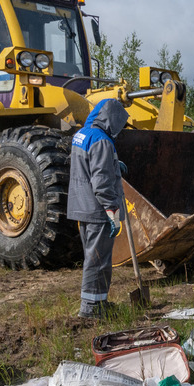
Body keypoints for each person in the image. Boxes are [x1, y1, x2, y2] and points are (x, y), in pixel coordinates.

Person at [68, 98, 129, 319]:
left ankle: (99, 302)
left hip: (82, 206)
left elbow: (87, 168)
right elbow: (101, 183)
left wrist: (113, 165)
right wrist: (112, 211)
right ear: (110, 119)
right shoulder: (102, 141)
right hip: (98, 211)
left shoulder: (82, 135)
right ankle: (91, 309)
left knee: (94, 258)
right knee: (98, 260)